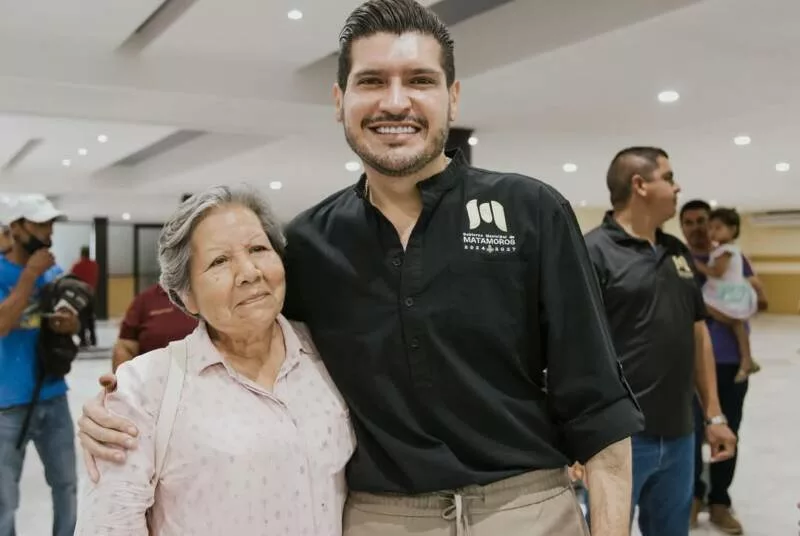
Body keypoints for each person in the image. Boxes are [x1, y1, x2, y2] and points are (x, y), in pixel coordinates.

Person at [77, 1, 645, 535]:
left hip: (528, 510)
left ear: (452, 97)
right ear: (339, 99)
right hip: (382, 517)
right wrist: (128, 409)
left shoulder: (530, 211)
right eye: (371, 81)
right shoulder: (308, 244)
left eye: (419, 80)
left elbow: (597, 406)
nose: (395, 103)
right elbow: (249, 346)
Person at [75, 186, 356, 535]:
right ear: (186, 296)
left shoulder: (330, 353)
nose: (249, 272)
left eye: (258, 249)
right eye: (219, 261)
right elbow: (109, 526)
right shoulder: (145, 388)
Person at [583, 147, 737, 536]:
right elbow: (570, 348)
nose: (677, 186)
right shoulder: (592, 252)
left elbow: (697, 332)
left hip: (681, 434)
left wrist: (714, 415)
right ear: (640, 185)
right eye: (668, 178)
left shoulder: (676, 252)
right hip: (618, 440)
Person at [680, 199, 767, 534]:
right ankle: (693, 497)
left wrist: (743, 300)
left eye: (702, 221)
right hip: (689, 365)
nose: (697, 228)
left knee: (728, 432)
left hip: (730, 362)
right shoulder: (677, 261)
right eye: (689, 222)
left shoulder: (732, 257)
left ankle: (719, 502)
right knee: (689, 434)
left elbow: (760, 301)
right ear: (682, 227)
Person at [0, 194, 80, 536]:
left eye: (50, 224)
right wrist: (30, 274)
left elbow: (70, 319)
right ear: (16, 228)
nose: (48, 232)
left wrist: (70, 322)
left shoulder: (54, 272)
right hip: (7, 404)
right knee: (5, 500)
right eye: (39, 224)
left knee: (67, 486)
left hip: (53, 394)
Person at [693, 207, 759, 383]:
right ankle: (747, 358)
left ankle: (746, 359)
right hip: (725, 290)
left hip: (726, 291)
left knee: (707, 306)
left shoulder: (725, 251)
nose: (712, 232)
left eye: (718, 228)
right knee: (737, 325)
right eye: (710, 228)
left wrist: (697, 265)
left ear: (733, 229)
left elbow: (717, 272)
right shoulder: (725, 249)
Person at [111, 282, 198, 371]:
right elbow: (125, 348)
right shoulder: (144, 301)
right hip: (154, 376)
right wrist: (121, 378)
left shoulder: (202, 296)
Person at [70, 245, 99, 347]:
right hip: (91, 294)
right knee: (90, 317)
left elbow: (71, 279)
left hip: (80, 295)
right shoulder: (94, 265)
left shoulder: (77, 265)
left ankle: (83, 340)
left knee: (81, 318)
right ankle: (93, 339)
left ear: (81, 254)